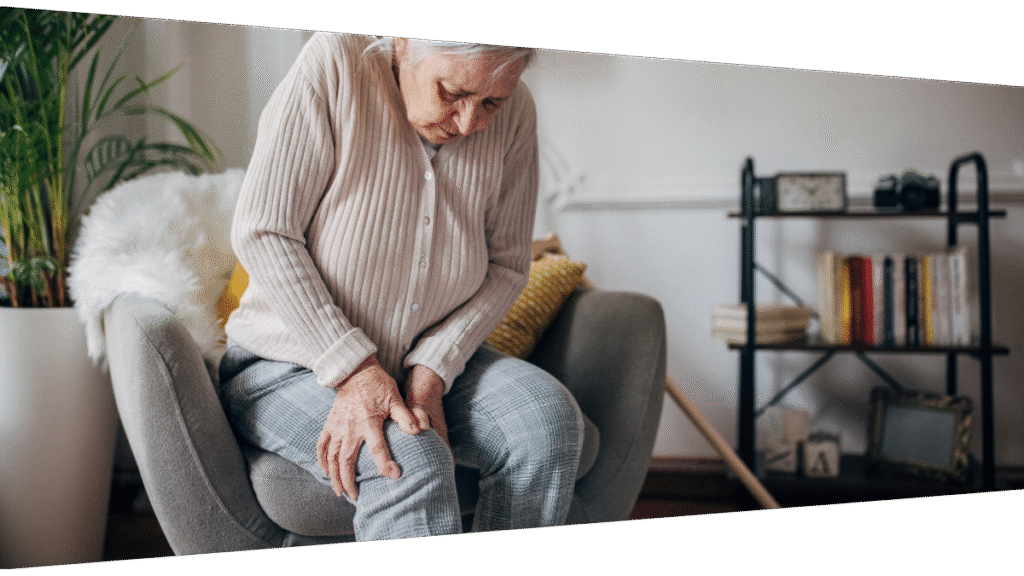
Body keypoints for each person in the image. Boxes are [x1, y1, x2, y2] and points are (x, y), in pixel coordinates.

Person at [217, 32, 585, 541]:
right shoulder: (335, 61)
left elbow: (507, 266)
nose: (469, 123)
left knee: (546, 421)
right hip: (288, 365)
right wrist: (354, 368)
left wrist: (436, 363)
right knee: (408, 459)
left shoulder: (518, 111)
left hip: (427, 363)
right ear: (406, 41)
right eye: (453, 93)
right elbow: (264, 231)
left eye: (490, 103)